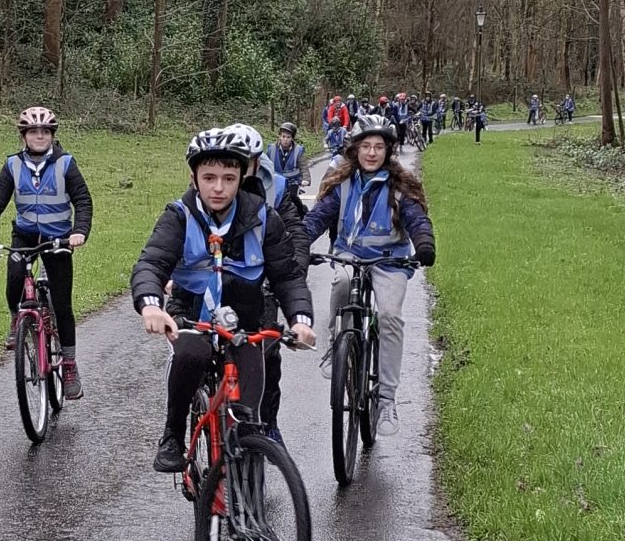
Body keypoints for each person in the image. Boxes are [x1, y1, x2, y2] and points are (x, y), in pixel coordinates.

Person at [132, 127, 314, 472]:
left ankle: (248, 474)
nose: (219, 188)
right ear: (194, 178)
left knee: (250, 409)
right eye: (209, 178)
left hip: (245, 317)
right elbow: (151, 263)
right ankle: (172, 435)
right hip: (192, 314)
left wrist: (300, 320)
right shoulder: (179, 216)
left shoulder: (263, 217)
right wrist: (151, 304)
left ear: (242, 178)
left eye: (229, 179)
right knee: (191, 355)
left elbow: (287, 276)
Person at [302, 108, 435, 434]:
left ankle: (386, 400)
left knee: (389, 315)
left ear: (388, 151)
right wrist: (299, 243)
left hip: (390, 261)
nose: (372, 153)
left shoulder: (399, 186)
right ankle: (337, 345)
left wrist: (424, 244)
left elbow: (417, 220)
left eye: (378, 147)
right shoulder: (343, 184)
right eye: (366, 146)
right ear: (355, 149)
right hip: (350, 255)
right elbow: (317, 217)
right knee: (341, 284)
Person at [0, 104, 93, 398]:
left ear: (52, 135)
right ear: (23, 136)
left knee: (61, 304)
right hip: (24, 234)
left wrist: (79, 231)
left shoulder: (65, 164)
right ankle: (17, 318)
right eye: (34, 131)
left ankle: (69, 365)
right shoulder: (12, 165)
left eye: (45, 131)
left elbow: (83, 200)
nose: (40, 136)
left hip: (58, 238)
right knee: (14, 276)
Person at [263, 120, 306, 212]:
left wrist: (306, 179)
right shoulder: (271, 149)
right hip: (275, 179)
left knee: (293, 196)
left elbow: (303, 166)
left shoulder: (298, 150)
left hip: (292, 181)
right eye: (283, 136)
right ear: (279, 136)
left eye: (288, 137)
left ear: (292, 138)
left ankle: (302, 212)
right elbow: (265, 164)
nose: (285, 139)